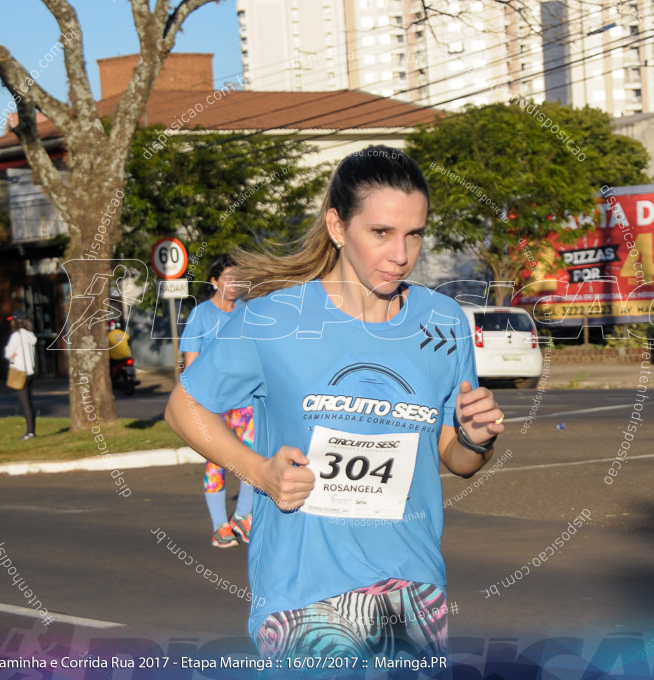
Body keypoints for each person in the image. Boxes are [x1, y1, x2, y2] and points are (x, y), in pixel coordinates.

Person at [165, 146, 505, 660]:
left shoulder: (444, 321)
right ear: (337, 226)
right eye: (382, 232)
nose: (401, 254)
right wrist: (258, 471)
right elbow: (183, 407)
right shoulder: (272, 318)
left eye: (414, 234)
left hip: (412, 590)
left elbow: (451, 454)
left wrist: (477, 441)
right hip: (301, 593)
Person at [178, 254, 255, 548]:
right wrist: (192, 403)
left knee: (251, 457)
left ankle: (243, 516)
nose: (235, 284)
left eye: (239, 278)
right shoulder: (201, 316)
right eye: (229, 278)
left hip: (246, 399)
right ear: (214, 282)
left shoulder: (247, 312)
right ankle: (220, 525)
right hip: (212, 403)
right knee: (217, 461)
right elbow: (191, 364)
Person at [4, 310, 38, 440]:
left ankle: (30, 432)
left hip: (20, 372)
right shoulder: (30, 335)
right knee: (30, 402)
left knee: (25, 404)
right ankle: (31, 430)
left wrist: (13, 355)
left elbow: (7, 353)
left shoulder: (16, 336)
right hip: (30, 372)